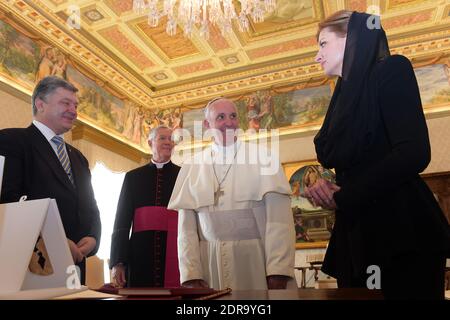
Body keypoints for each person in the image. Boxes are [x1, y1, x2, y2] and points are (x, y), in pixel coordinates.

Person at [305, 10, 450, 299]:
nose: (317, 56)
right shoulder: (343, 96)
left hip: (402, 229)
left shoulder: (391, 69)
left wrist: (343, 196)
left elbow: (414, 152)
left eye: (323, 44)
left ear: (353, 38)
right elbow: (351, 160)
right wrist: (326, 187)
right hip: (356, 231)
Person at [168, 97, 295, 290]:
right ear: (206, 124)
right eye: (220, 117)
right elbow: (186, 230)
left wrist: (278, 270)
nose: (229, 122)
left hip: (255, 262)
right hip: (208, 263)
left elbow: (280, 220)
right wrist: (190, 274)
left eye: (233, 116)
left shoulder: (264, 157)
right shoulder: (192, 165)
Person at [0, 76, 101, 284]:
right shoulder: (11, 141)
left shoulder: (79, 158)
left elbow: (91, 206)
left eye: (75, 105)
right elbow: (7, 203)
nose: (73, 110)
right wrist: (54, 241)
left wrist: (93, 238)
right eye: (65, 103)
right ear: (40, 104)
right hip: (33, 266)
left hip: (75, 268)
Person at [110, 125, 181, 288]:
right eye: (162, 138)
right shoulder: (133, 177)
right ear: (150, 143)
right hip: (139, 252)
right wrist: (118, 261)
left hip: (174, 250)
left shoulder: (183, 175)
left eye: (171, 139)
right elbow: (121, 220)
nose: (168, 142)